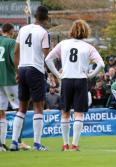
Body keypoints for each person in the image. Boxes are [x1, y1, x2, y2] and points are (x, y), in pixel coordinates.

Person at [45, 19, 105, 151]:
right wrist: (91, 74)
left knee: (65, 112)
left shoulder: (63, 43)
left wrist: (57, 74)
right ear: (85, 31)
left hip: (66, 80)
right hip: (81, 80)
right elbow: (101, 64)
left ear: (72, 31)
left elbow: (48, 59)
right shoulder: (88, 47)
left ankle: (65, 144)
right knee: (79, 114)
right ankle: (75, 144)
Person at [10, 6, 50, 151]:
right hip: (35, 70)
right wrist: (51, 72)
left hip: (22, 69)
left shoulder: (23, 29)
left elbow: (15, 52)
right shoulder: (44, 32)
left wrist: (17, 71)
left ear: (35, 16)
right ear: (46, 18)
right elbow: (47, 55)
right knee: (38, 107)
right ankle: (37, 144)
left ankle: (14, 142)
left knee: (21, 107)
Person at [0, 23, 19, 151]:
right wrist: (19, 72)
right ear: (10, 31)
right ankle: (17, 141)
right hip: (10, 80)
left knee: (1, 112)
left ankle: (1, 144)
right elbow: (14, 60)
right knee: (19, 109)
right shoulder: (11, 42)